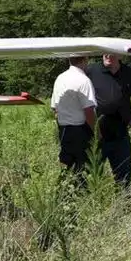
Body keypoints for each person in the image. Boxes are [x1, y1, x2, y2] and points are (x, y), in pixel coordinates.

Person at [84, 52, 131, 191]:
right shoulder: (92, 71)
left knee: (123, 178)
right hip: (96, 135)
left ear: (120, 56)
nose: (107, 55)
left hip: (120, 134)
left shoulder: (129, 73)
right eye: (104, 52)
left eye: (111, 53)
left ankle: (123, 206)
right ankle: (95, 204)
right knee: (91, 176)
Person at [50, 55, 97, 185]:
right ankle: (83, 195)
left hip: (64, 129)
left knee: (67, 165)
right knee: (84, 167)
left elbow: (54, 108)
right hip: (80, 130)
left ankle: (66, 193)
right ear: (85, 59)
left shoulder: (60, 78)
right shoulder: (83, 80)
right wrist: (97, 132)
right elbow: (88, 111)